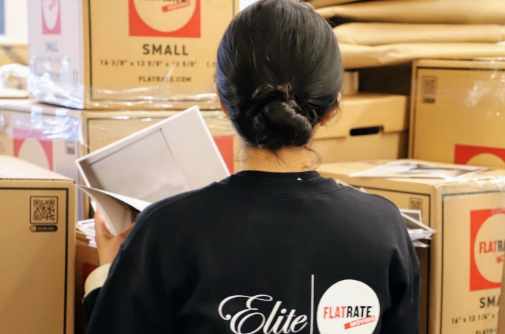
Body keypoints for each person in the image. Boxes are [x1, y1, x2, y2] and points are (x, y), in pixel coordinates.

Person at [83, 0, 421, 333]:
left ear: (221, 100)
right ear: (333, 108)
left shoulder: (167, 230)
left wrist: (110, 269)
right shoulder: (383, 227)